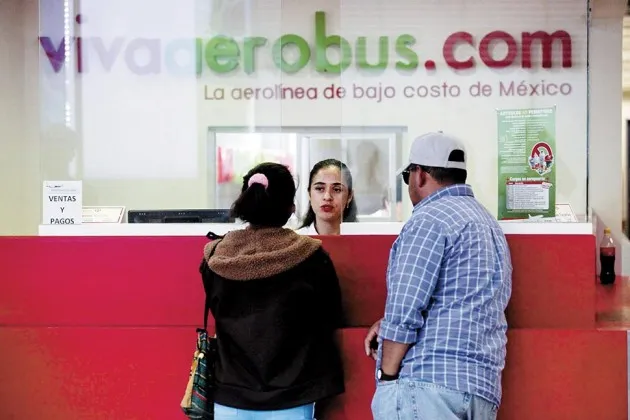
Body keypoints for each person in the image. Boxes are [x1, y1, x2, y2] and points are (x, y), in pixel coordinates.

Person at [364, 132, 512, 420]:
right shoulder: (489, 225)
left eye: (407, 176)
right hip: (482, 391)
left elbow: (405, 310)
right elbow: (464, 302)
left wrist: (387, 376)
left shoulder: (428, 220)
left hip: (426, 386)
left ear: (419, 175)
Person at [201, 162, 345, 420]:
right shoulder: (312, 258)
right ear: (290, 207)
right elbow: (332, 317)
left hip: (230, 396)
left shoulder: (215, 257)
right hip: (293, 396)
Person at [297, 159, 358, 235]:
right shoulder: (294, 241)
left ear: (349, 197)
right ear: (309, 194)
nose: (327, 197)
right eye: (319, 189)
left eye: (337, 189)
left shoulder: (364, 239)